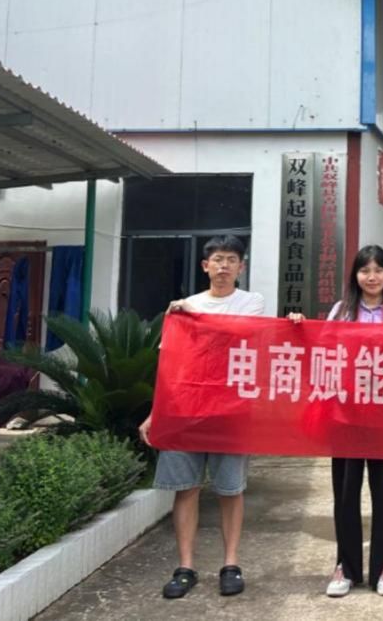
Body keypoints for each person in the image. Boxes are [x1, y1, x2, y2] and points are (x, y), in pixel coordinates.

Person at [139, 235, 265, 600]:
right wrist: (155, 413)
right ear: (205, 266)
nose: (224, 266)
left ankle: (231, 564)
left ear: (241, 267)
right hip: (185, 410)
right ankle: (185, 567)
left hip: (231, 412)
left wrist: (191, 318)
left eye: (231, 260)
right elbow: (171, 364)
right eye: (218, 259)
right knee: (186, 489)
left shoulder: (251, 302)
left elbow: (239, 337)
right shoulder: (185, 307)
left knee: (231, 490)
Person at [323, 246, 383, 598]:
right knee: (346, 494)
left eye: (378, 270)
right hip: (346, 415)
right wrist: (298, 326)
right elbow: (322, 350)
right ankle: (345, 567)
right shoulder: (341, 311)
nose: (372, 277)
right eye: (365, 270)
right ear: (355, 275)